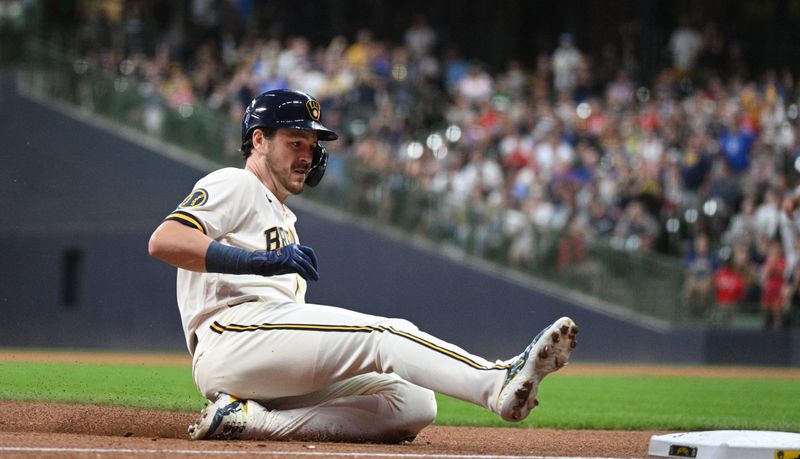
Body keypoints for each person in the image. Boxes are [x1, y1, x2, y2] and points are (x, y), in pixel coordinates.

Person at [148, 89, 579, 442]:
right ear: (258, 140)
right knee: (387, 335)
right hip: (232, 336)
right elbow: (165, 241)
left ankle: (250, 421)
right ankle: (496, 381)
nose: (306, 155)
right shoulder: (236, 182)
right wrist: (257, 261)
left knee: (412, 403)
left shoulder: (284, 218)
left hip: (264, 353)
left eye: (311, 146)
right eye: (295, 142)